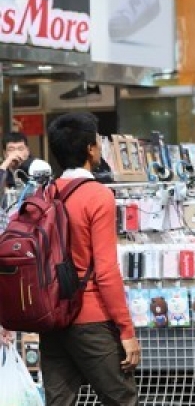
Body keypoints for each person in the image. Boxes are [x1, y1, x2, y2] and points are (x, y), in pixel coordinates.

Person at [41, 113, 140, 405]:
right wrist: (126, 329)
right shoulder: (98, 196)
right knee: (121, 398)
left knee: (60, 401)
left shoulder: (44, 193)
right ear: (90, 149)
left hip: (52, 318)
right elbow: (106, 271)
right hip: (91, 317)